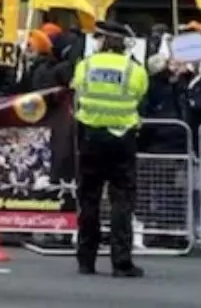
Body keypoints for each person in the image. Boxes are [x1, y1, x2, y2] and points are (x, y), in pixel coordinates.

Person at [71, 20, 148, 277]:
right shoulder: (133, 69)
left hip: (91, 138)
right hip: (122, 139)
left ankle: (86, 260)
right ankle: (121, 262)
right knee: (121, 202)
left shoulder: (86, 66)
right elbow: (139, 97)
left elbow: (78, 94)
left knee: (89, 200)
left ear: (102, 40)